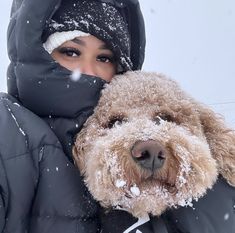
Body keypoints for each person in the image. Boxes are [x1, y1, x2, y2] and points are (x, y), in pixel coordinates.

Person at [0, 0, 234, 233]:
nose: (88, 71)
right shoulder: (7, 126)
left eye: (104, 58)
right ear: (37, 55)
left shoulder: (199, 165)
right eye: (71, 51)